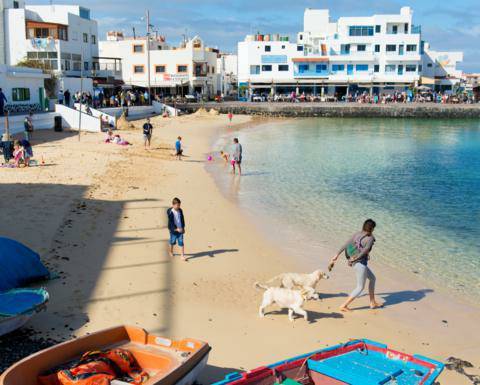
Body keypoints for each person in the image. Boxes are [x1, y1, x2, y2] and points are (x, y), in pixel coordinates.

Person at [329, 219, 382, 312]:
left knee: (373, 279)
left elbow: (346, 244)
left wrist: (337, 255)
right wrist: (354, 259)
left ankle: (372, 302)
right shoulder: (369, 239)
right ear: (372, 228)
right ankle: (343, 305)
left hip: (357, 262)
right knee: (360, 287)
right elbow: (365, 251)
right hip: (360, 264)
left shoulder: (357, 234)